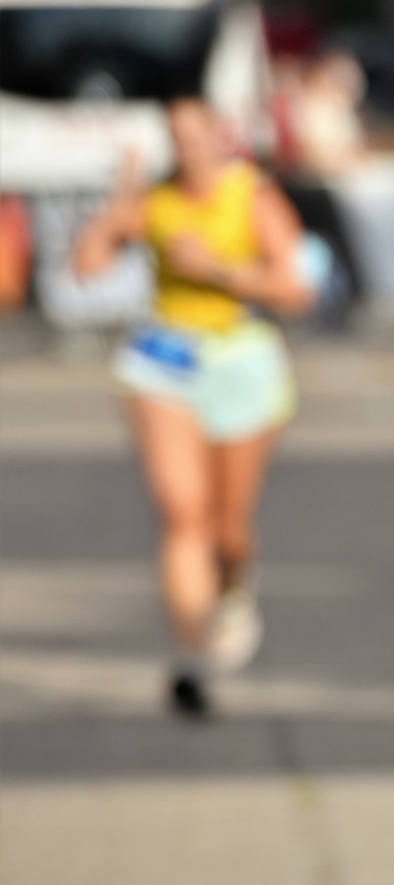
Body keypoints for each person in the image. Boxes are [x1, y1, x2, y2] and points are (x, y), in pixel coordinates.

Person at [71, 97, 310, 719]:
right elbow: (86, 265)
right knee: (183, 519)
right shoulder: (153, 198)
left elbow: (296, 289)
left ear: (220, 137)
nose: (184, 148)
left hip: (239, 358)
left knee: (228, 528)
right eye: (172, 136)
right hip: (163, 360)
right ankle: (191, 655)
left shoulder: (251, 196)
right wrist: (119, 198)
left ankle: (232, 590)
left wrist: (218, 270)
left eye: (193, 134)